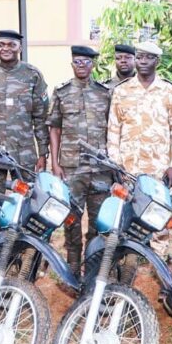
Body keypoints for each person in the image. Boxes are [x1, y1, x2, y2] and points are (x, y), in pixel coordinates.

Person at [48, 45, 112, 274]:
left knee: (99, 219)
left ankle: (93, 263)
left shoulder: (105, 93)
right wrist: (55, 163)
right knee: (71, 217)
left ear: (92, 64)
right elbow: (54, 128)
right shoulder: (62, 92)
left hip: (100, 168)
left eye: (86, 61)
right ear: (72, 64)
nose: (81, 65)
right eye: (77, 61)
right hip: (71, 166)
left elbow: (113, 129)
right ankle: (73, 262)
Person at [0, 29, 49, 189]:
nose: (5, 48)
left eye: (11, 45)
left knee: (27, 199)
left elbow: (40, 118)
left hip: (24, 153)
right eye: (1, 45)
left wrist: (43, 153)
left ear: (20, 48)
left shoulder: (32, 75)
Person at [107, 41, 172, 183]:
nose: (143, 62)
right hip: (128, 169)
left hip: (159, 169)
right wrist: (116, 163)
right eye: (139, 57)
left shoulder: (170, 91)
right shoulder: (121, 91)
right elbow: (113, 130)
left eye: (149, 58)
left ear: (157, 61)